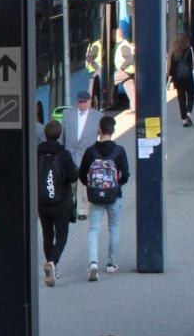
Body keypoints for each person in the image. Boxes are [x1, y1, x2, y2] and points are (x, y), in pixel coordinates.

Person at [78, 114, 129, 280]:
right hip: (114, 195)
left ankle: (93, 263)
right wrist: (115, 186)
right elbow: (126, 175)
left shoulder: (90, 151)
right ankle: (111, 264)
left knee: (94, 229)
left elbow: (81, 174)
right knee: (113, 228)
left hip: (95, 196)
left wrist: (92, 187)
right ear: (113, 130)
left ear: (99, 130)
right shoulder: (119, 151)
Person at [36, 120, 78, 287]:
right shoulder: (64, 154)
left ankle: (50, 264)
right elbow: (73, 176)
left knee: (47, 234)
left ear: (45, 134)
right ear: (60, 135)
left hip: (42, 202)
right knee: (62, 236)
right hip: (61, 202)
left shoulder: (36, 153)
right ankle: (52, 263)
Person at [60, 90, 102, 223]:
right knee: (69, 184)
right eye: (80, 102)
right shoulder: (67, 114)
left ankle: (82, 210)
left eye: (84, 102)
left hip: (87, 155)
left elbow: (102, 136)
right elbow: (62, 135)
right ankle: (70, 208)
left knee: (83, 184)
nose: (82, 104)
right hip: (70, 153)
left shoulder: (98, 116)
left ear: (90, 102)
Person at [167, 32, 194, 127]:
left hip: (178, 79)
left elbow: (171, 69)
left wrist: (169, 80)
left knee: (181, 98)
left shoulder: (174, 53)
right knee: (191, 95)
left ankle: (184, 119)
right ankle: (189, 113)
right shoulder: (190, 50)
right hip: (189, 77)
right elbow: (193, 63)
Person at [111, 28, 135, 111]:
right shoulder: (122, 44)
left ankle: (106, 103)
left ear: (116, 35)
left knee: (109, 82)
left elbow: (129, 58)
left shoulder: (123, 45)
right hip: (129, 71)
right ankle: (134, 109)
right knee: (131, 91)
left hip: (125, 71)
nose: (111, 37)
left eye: (112, 35)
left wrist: (121, 68)